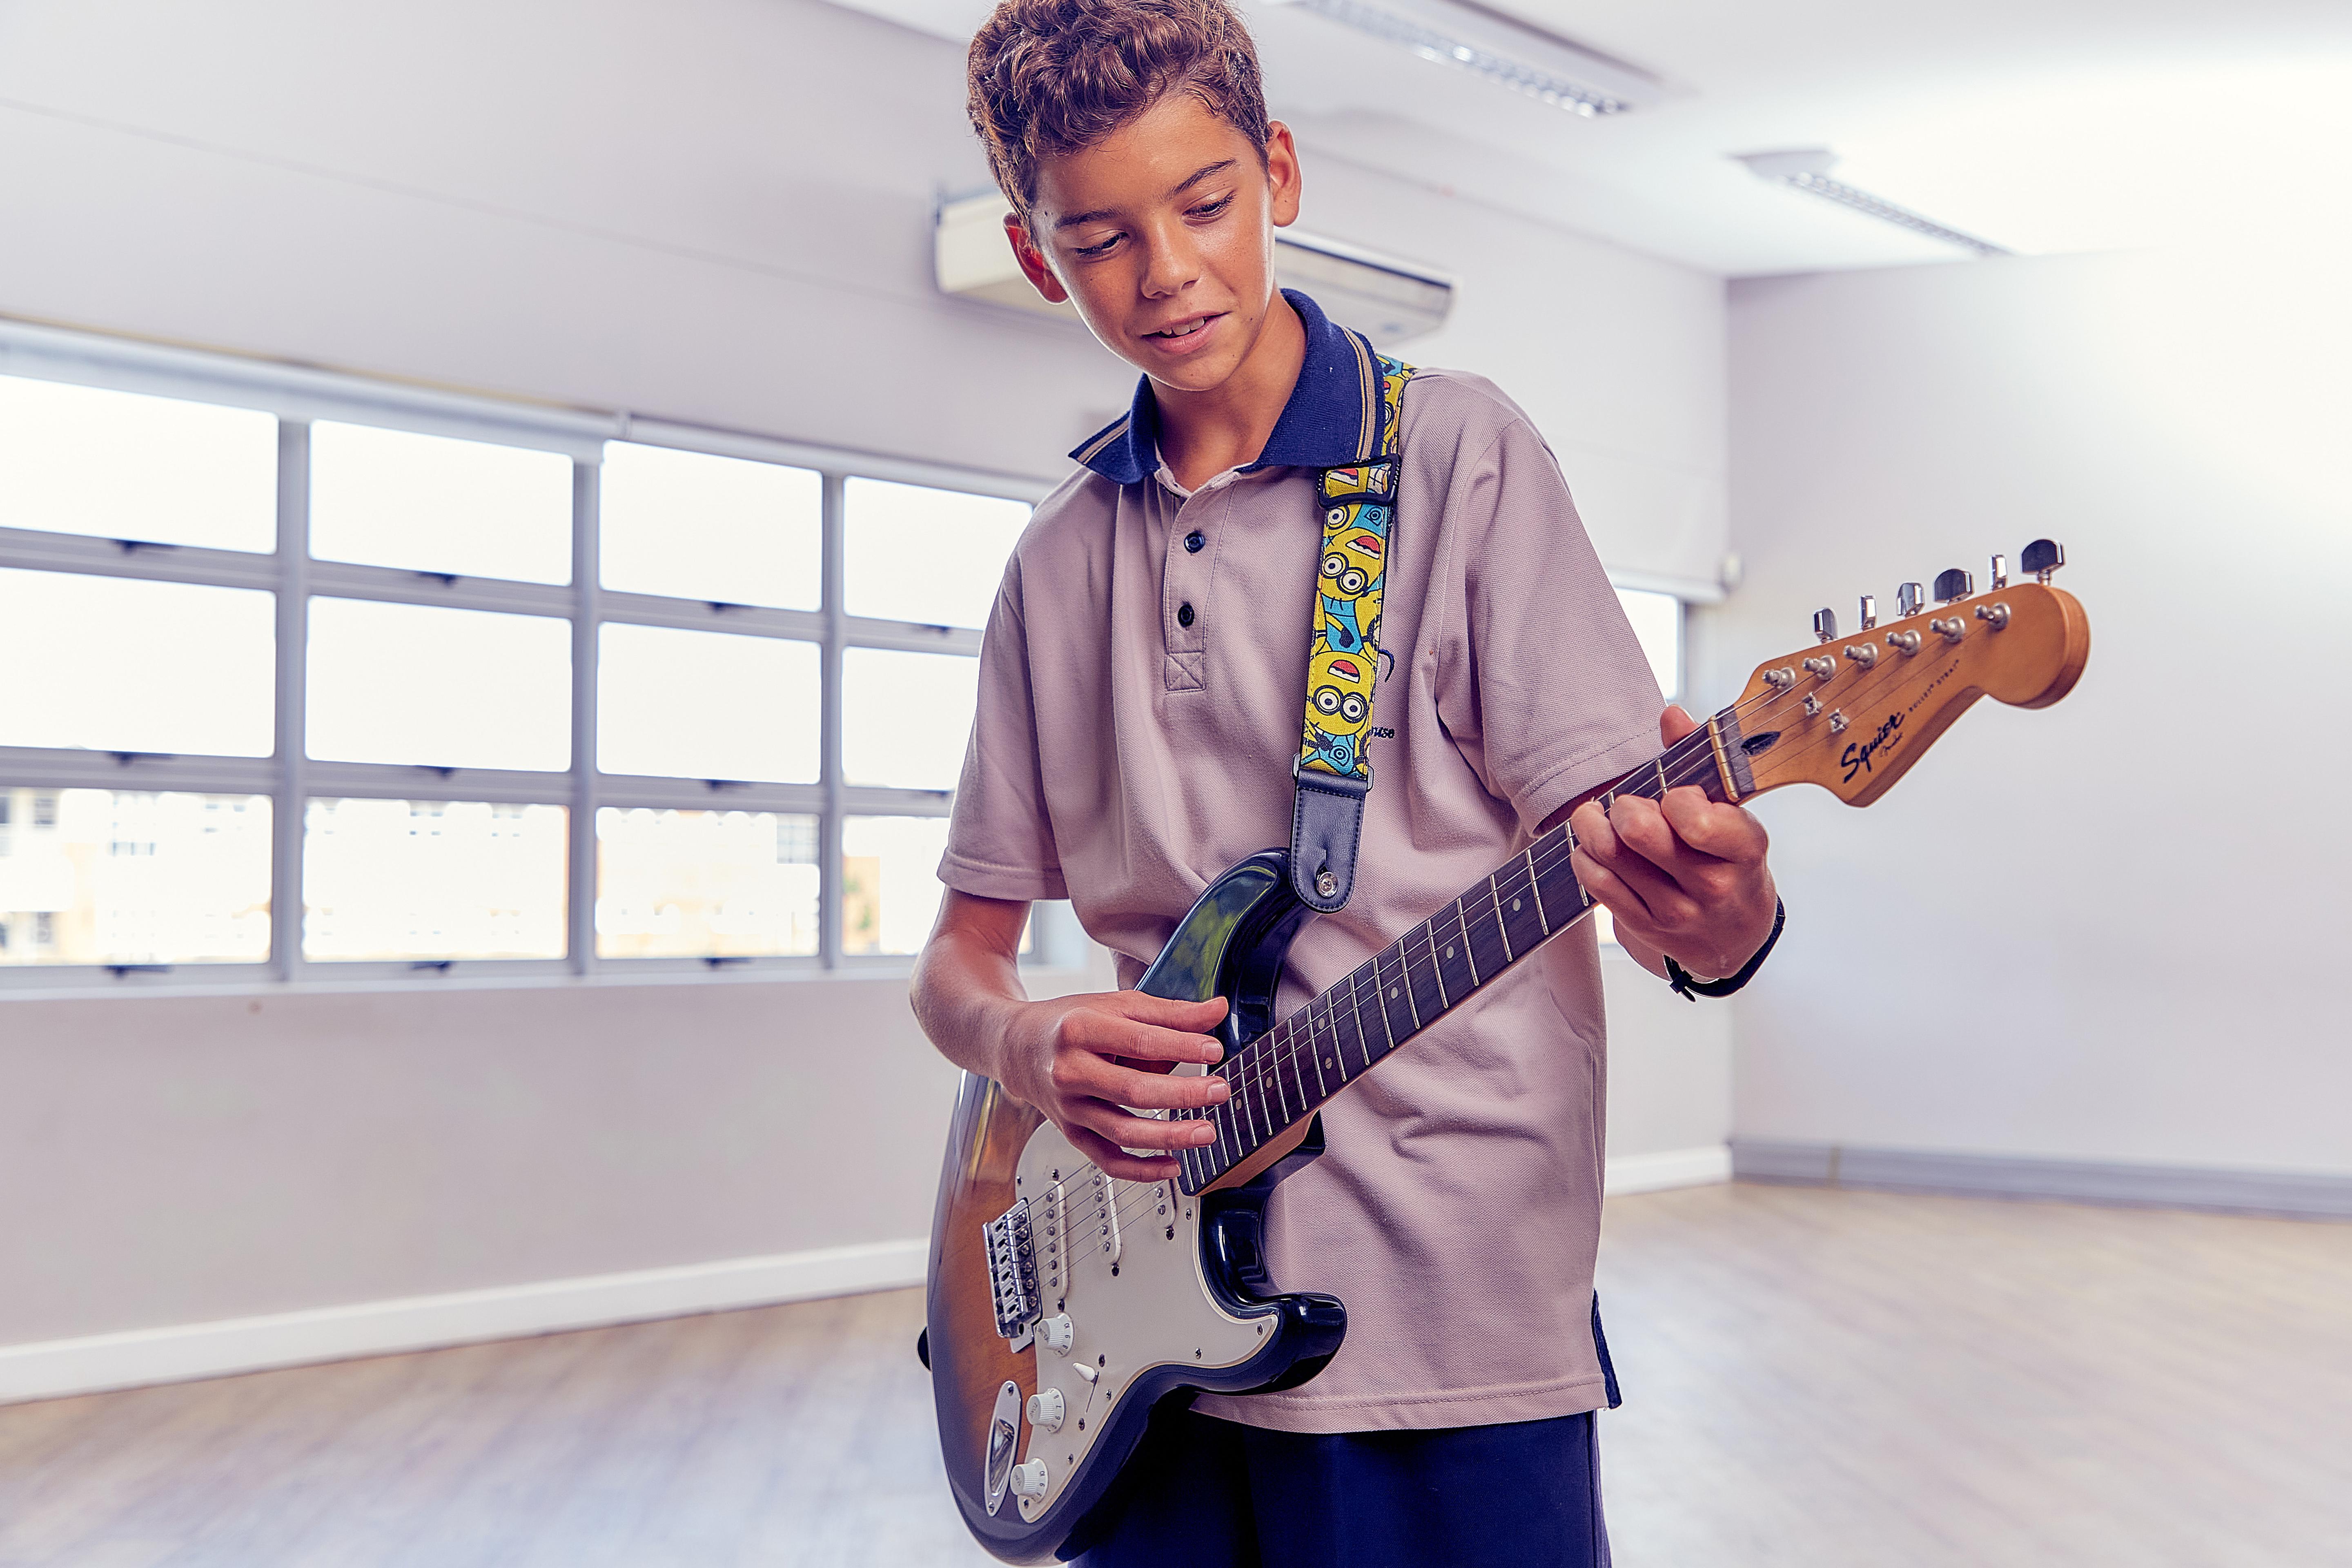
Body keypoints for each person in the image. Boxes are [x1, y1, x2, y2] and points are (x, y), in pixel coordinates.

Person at [911, 0, 1780, 1560]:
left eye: (1204, 205)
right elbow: (958, 966)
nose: (1166, 271)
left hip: (1454, 1333)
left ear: (1281, 174)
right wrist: (1030, 1045)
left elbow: (1659, 902)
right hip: (1142, 1352)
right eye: (1100, 237)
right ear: (1039, 258)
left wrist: (1724, 915)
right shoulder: (1052, 566)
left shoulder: (1462, 461)